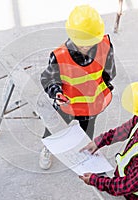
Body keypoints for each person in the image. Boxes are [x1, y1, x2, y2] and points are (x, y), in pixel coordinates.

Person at [39, 4, 116, 170]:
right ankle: (48, 148)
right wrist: (56, 92)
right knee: (55, 129)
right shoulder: (60, 55)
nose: (86, 47)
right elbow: (48, 78)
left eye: (90, 43)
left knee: (86, 133)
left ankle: (84, 153)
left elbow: (109, 72)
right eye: (82, 44)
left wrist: (104, 86)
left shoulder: (105, 46)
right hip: (66, 105)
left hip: (91, 105)